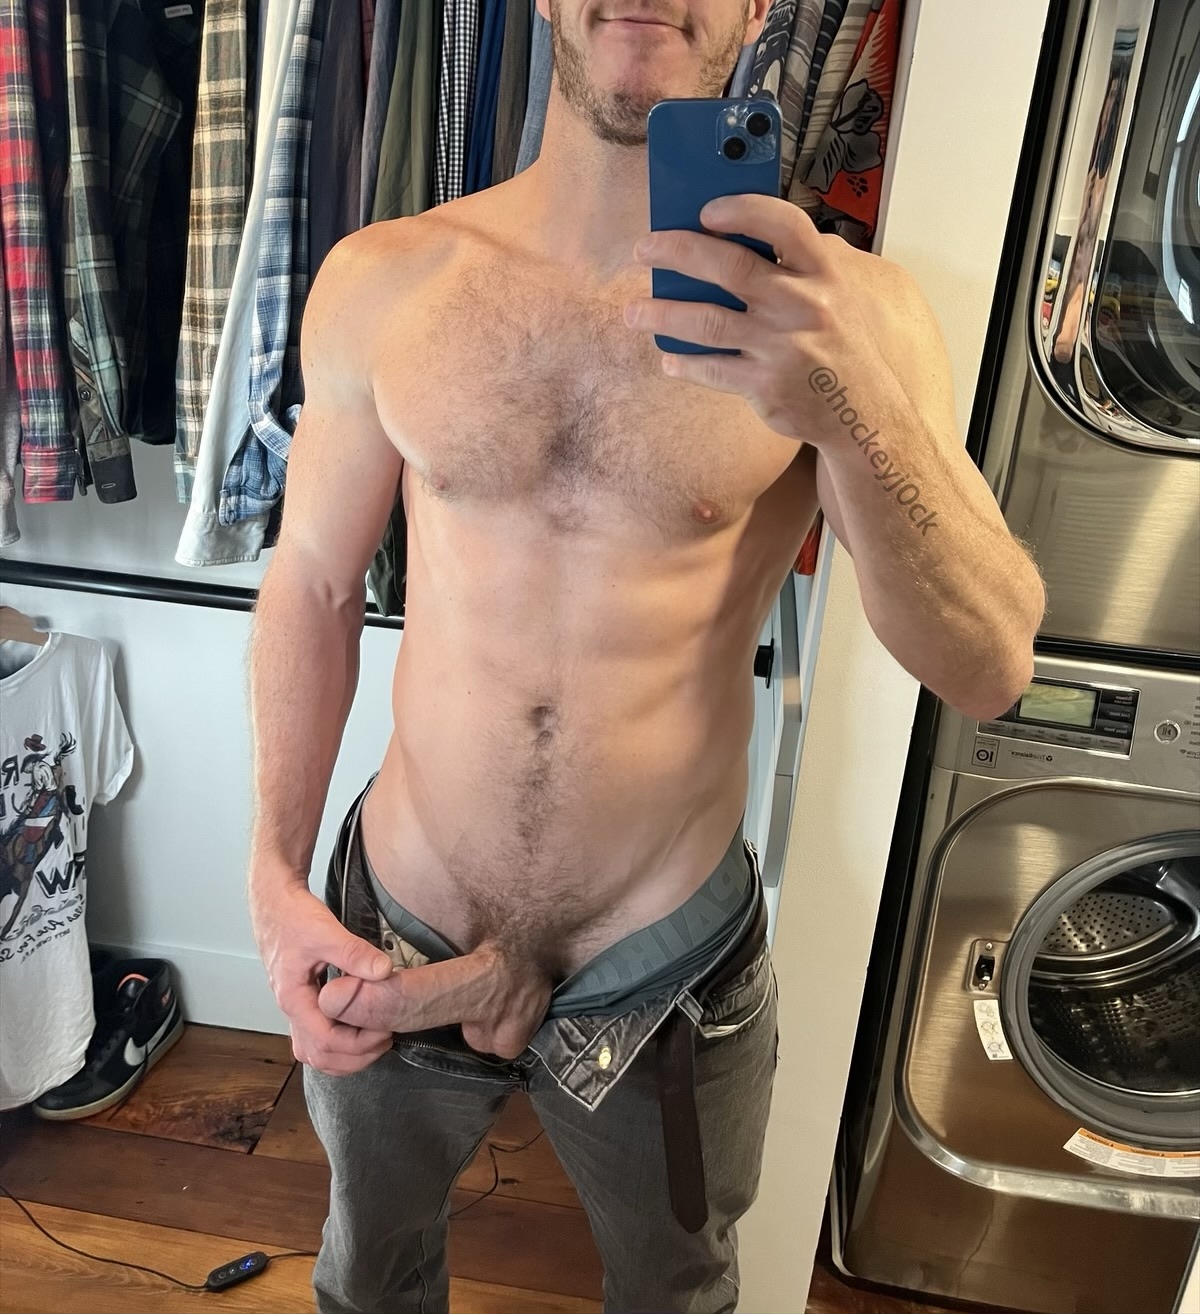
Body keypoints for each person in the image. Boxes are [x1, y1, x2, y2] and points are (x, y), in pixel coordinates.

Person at [246, 0, 1046, 1309]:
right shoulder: (389, 276)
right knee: (369, 1276)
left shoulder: (850, 319)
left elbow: (991, 663)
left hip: (663, 959)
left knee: (678, 1291)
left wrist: (851, 409)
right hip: (401, 921)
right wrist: (274, 871)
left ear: (760, 6)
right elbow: (315, 582)